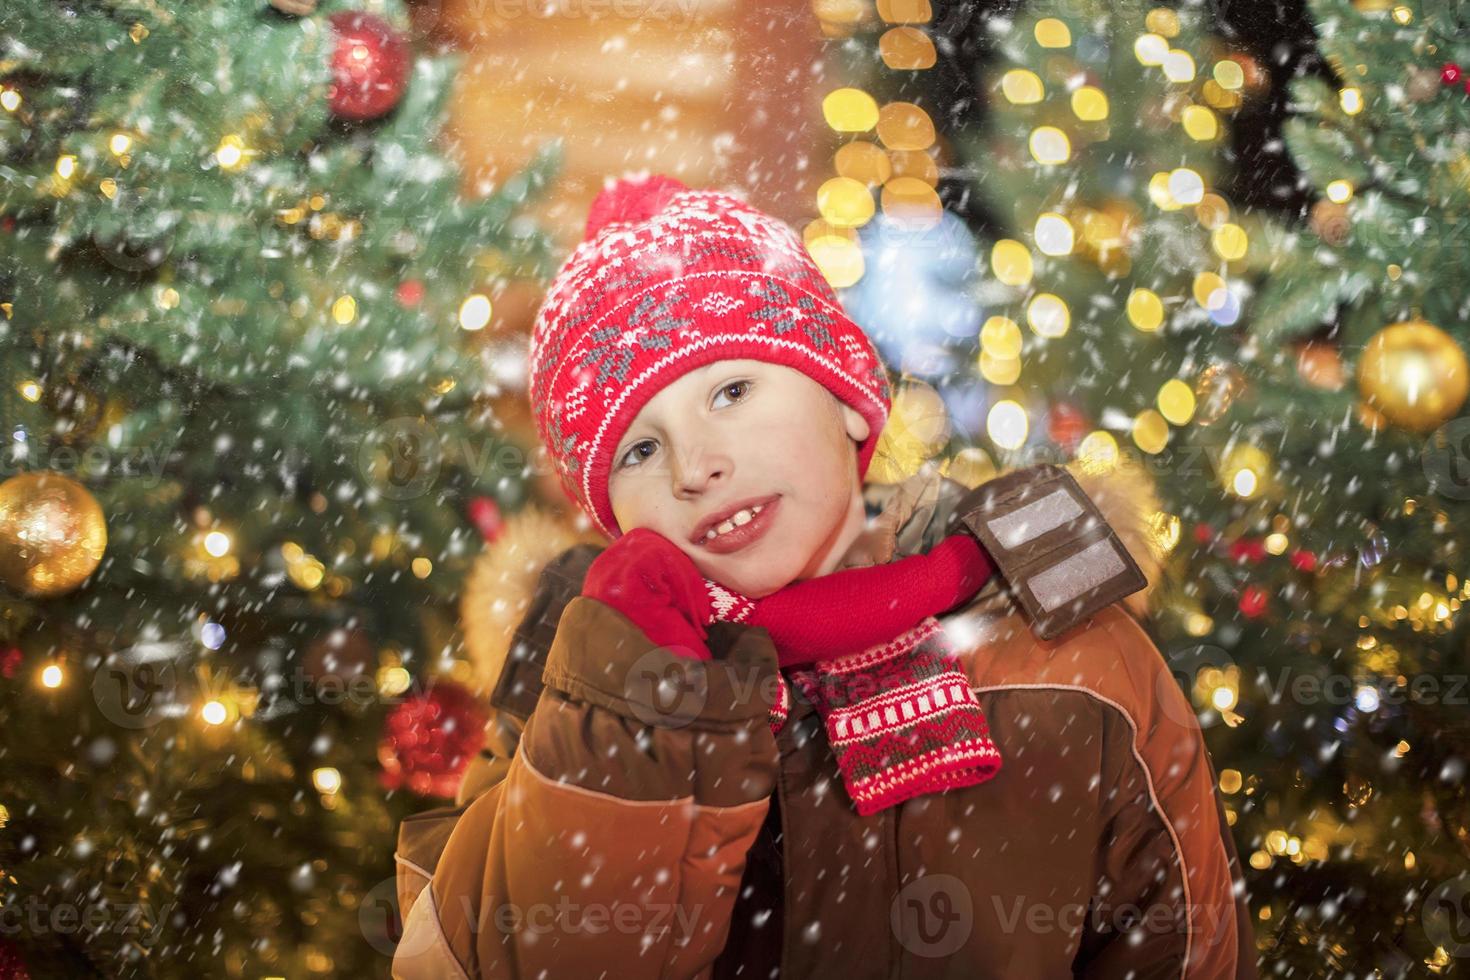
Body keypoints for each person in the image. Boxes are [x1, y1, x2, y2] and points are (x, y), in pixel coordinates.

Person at [390, 174, 1259, 979]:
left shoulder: (1065, 647)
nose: (695, 466)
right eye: (641, 449)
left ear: (846, 395)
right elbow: (498, 957)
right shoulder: (575, 667)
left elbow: (1183, 947)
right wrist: (628, 707)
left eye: (731, 392)